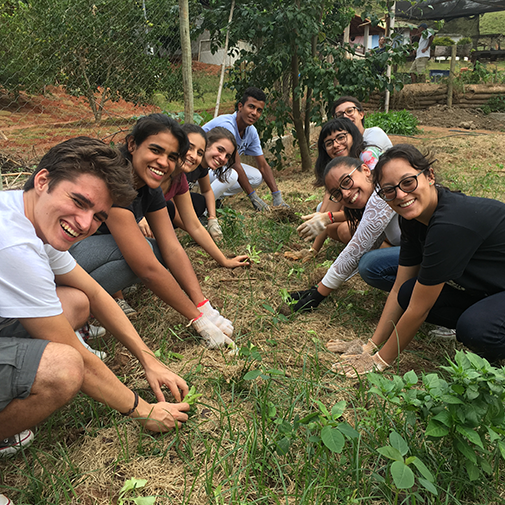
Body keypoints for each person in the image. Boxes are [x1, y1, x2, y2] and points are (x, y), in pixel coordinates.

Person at [0, 138, 191, 469]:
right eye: (78, 201)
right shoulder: (14, 244)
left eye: (98, 216)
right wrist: (143, 410)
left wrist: (149, 360)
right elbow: (82, 363)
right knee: (65, 367)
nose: (85, 224)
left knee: (76, 301)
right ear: (43, 181)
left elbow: (97, 294)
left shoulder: (23, 210)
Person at [335, 144, 505, 378]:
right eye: (389, 190)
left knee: (476, 329)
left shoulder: (449, 224)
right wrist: (370, 346)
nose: (401, 195)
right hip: (493, 287)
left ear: (430, 176)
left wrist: (379, 361)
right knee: (407, 292)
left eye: (408, 182)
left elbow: (420, 309)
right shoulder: (413, 219)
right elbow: (398, 289)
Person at [69, 114, 237, 350]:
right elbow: (147, 268)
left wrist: (204, 306)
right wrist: (198, 320)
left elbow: (172, 248)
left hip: (78, 260)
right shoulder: (114, 178)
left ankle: (76, 312)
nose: (162, 162)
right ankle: (64, 314)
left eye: (171, 156)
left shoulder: (150, 186)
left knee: (158, 251)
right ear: (132, 145)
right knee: (146, 252)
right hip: (50, 258)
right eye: (155, 150)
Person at [287, 156, 400, 313]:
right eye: (338, 193)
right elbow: (356, 253)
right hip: (420, 254)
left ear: (366, 170)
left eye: (347, 182)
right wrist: (317, 288)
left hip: (435, 254)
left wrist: (317, 296)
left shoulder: (383, 191)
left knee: (369, 264)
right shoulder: (372, 197)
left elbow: (355, 250)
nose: (346, 194)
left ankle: (427, 298)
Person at [138, 123, 249, 268]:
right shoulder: (153, 171)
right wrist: (138, 216)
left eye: (199, 152)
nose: (193, 155)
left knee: (162, 251)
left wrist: (223, 260)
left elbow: (194, 225)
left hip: (148, 217)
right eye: (189, 147)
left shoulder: (180, 178)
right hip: (115, 225)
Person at [294, 118, 383, 258]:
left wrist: (329, 217)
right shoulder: (336, 170)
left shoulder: (367, 157)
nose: (336, 145)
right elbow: (326, 209)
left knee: (345, 230)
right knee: (331, 227)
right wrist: (313, 251)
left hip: (385, 219)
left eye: (341, 137)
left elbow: (375, 207)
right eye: (329, 143)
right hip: (366, 217)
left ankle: (383, 253)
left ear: (353, 135)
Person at [202, 87, 289, 211]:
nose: (254, 113)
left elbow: (263, 165)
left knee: (256, 177)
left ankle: (215, 196)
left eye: (259, 110)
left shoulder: (251, 131)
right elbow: (235, 165)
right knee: (232, 175)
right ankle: (204, 209)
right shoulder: (227, 125)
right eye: (251, 107)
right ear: (240, 106)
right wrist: (253, 197)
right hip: (198, 168)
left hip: (217, 167)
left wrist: (277, 196)